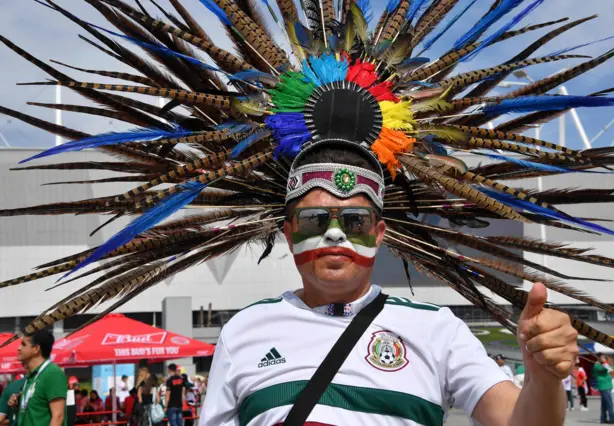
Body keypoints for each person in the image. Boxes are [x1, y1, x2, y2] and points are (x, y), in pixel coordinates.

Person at [199, 141, 580, 425]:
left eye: (354, 222)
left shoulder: (436, 329)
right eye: (315, 220)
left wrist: (543, 377)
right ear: (289, 233)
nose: (334, 236)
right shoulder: (244, 331)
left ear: (379, 233)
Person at [15, 329, 67, 426]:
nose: (18, 348)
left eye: (23, 344)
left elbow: (58, 416)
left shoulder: (52, 373)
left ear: (36, 349)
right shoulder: (32, 375)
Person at [593, 353, 614, 424]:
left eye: (604, 357)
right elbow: (603, 369)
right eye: (602, 357)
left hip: (607, 385)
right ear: (598, 358)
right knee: (609, 404)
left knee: (604, 404)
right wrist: (604, 362)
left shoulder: (604, 364)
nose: (603, 358)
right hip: (604, 386)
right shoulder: (597, 366)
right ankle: (612, 419)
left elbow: (611, 372)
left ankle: (603, 419)